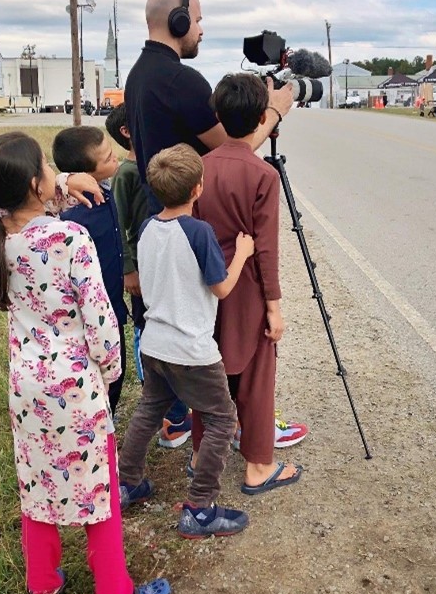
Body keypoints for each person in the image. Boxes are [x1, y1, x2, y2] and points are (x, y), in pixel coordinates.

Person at [0, 131, 170, 594]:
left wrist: (55, 178)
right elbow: (101, 321)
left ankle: (44, 593)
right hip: (75, 382)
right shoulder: (69, 238)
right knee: (97, 494)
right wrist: (111, 371)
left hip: (26, 385)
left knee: (36, 489)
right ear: (37, 183)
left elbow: (7, 201)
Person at [124, 0, 294, 447]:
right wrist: (275, 110)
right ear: (178, 21)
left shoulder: (138, 75)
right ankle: (236, 424)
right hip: (187, 227)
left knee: (168, 328)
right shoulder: (180, 80)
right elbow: (237, 151)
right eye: (197, 20)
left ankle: (179, 418)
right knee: (208, 330)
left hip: (157, 225)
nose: (200, 29)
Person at [118, 143, 254, 539]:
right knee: (222, 419)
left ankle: (127, 482)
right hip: (191, 348)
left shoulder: (147, 228)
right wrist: (242, 253)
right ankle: (199, 507)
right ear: (199, 188)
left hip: (155, 342)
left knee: (149, 410)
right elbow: (222, 288)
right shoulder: (199, 232)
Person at [194, 73, 304, 495]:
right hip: (247, 288)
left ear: (218, 115)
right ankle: (259, 465)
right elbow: (266, 249)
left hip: (207, 286)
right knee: (257, 375)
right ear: (263, 117)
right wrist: (274, 307)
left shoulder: (200, 169)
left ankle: (201, 455)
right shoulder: (263, 175)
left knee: (209, 370)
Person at [51, 125, 127, 415]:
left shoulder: (106, 192)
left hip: (114, 305)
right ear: (85, 174)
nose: (115, 160)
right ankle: (99, 415)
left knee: (118, 369)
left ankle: (109, 414)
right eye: (107, 159)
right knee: (104, 373)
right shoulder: (71, 219)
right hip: (91, 314)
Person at [104, 104, 149, 385]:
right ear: (127, 131)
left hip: (158, 260)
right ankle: (150, 386)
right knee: (144, 325)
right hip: (139, 264)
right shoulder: (126, 174)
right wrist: (128, 269)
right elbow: (118, 223)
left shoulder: (152, 165)